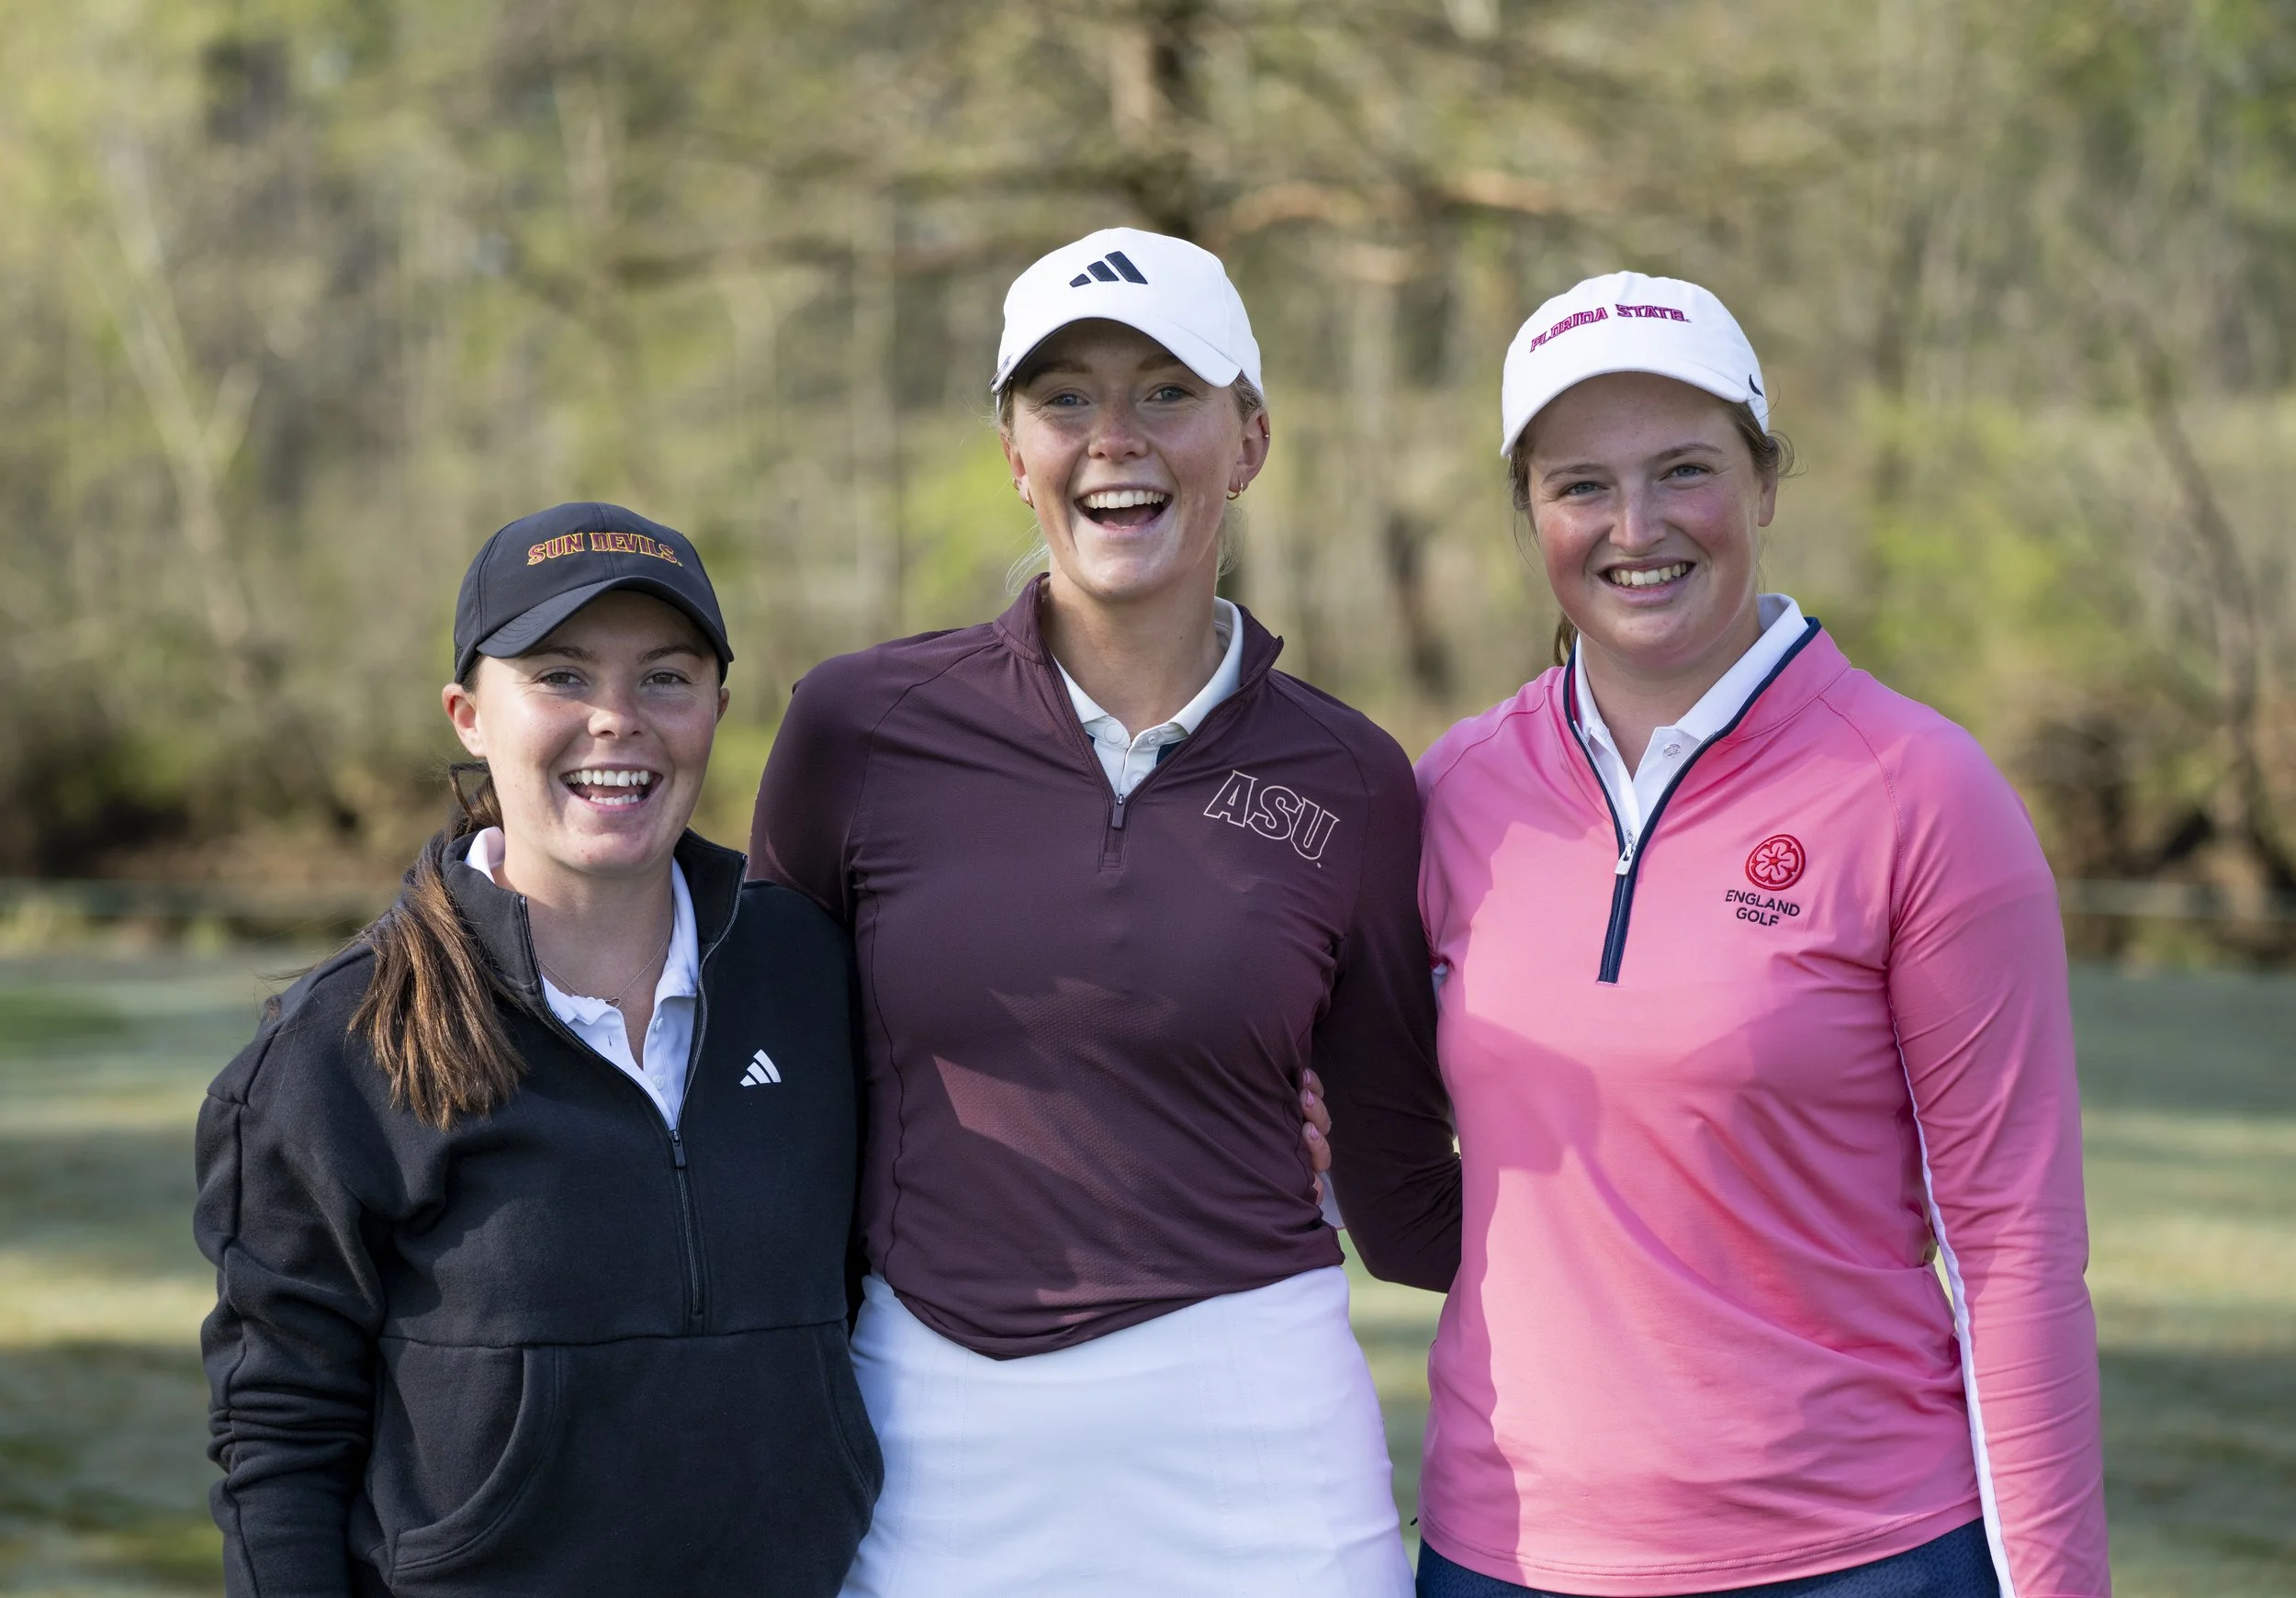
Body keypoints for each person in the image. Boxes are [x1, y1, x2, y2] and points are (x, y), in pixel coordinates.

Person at [748, 227, 1461, 1598]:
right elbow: (770, 1099)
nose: (1113, 439)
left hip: (1259, 1432)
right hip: (934, 1428)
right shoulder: (861, 727)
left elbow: (1401, 1189)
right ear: (1013, 452)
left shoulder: (1351, 776)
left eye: (1167, 394)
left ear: (1249, 440)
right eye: (1065, 399)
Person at [1398, 274, 2110, 1597]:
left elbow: (2015, 1247)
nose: (1637, 527)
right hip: (1504, 1556)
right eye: (1580, 486)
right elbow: (1366, 1131)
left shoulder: (1920, 791)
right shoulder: (1455, 793)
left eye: (1685, 470)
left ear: (1767, 482)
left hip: (1858, 1553)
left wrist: (2058, 1583)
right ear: (1529, 514)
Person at [195, 504, 881, 1598]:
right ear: (469, 715)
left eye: (665, 677)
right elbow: (279, 1433)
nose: (618, 720)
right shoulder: (339, 1048)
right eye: (561, 676)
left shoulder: (815, 979)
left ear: (717, 709)